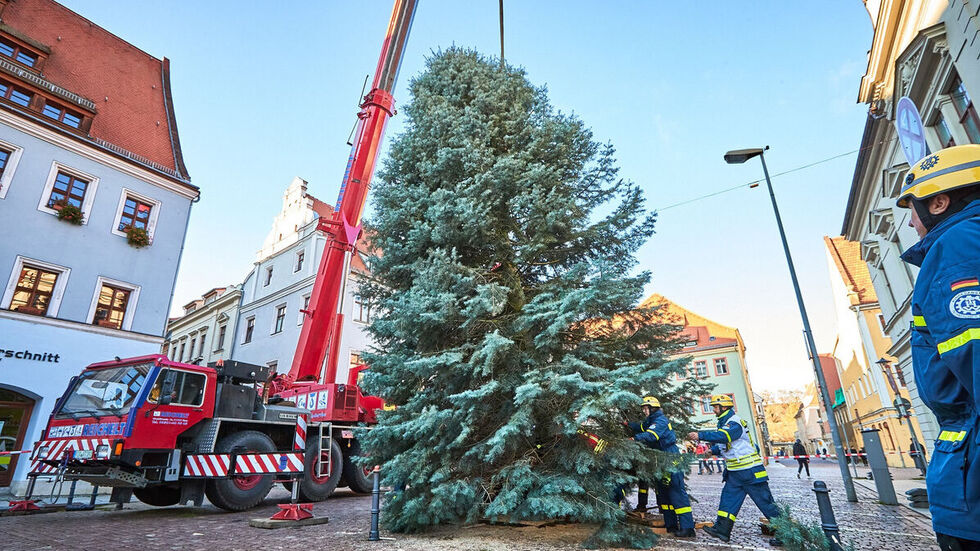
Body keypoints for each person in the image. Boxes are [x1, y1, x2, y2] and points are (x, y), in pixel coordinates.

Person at [897, 144, 980, 550]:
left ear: (939, 201)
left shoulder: (956, 246)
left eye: (911, 209)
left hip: (972, 484)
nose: (911, 223)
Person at [688, 395, 782, 547]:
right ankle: (722, 530)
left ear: (724, 407)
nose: (713, 409)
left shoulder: (734, 422)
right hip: (736, 473)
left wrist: (701, 435)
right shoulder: (725, 422)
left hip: (750, 471)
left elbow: (725, 437)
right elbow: (727, 445)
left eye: (715, 407)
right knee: (728, 501)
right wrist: (712, 451)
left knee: (766, 504)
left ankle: (784, 532)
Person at [631, 396, 695, 538]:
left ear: (652, 408)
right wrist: (628, 424)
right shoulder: (651, 421)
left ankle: (688, 528)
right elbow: (641, 427)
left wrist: (634, 439)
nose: (644, 411)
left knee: (676, 493)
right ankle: (671, 524)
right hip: (660, 460)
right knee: (664, 493)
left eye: (645, 408)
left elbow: (651, 435)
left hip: (670, 458)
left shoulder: (660, 421)